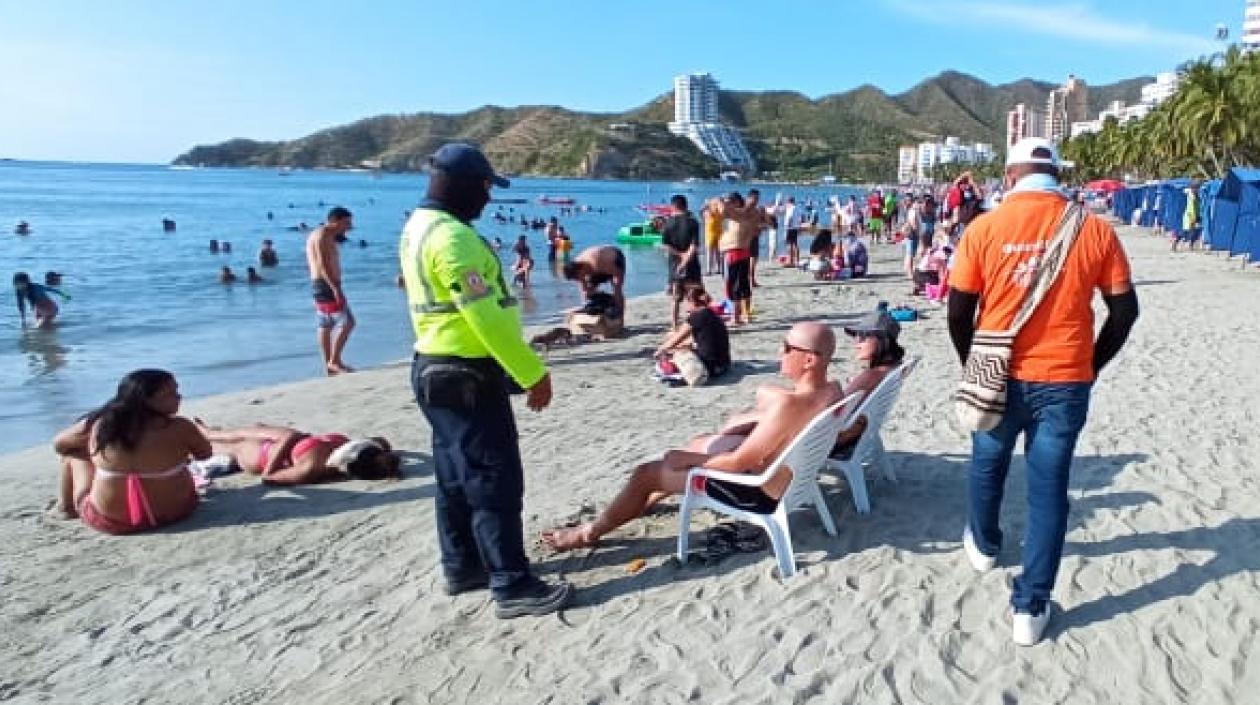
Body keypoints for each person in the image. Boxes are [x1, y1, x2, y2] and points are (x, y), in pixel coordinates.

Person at [947, 138, 1140, 646]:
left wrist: (974, 364)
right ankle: (1030, 610)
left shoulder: (984, 228)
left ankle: (985, 546)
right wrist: (1091, 364)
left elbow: (957, 312)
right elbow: (1125, 312)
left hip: (1000, 375)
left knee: (987, 460)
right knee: (1048, 490)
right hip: (1066, 378)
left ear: (1010, 177)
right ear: (1056, 174)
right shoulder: (1095, 229)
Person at [399, 142, 572, 618]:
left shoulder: (418, 227)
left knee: (454, 475)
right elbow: (486, 318)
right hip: (464, 373)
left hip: (432, 365)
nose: (488, 199)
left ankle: (463, 565)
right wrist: (533, 373)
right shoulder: (453, 238)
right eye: (485, 189)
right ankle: (512, 584)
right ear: (466, 186)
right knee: (493, 479)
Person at [543, 322, 846, 551]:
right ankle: (644, 499)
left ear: (809, 361)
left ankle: (588, 533)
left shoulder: (788, 406)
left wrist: (687, 459)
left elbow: (738, 463)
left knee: (645, 473)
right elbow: (785, 423)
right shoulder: (832, 391)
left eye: (786, 347)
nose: (780, 351)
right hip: (787, 478)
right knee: (703, 441)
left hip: (758, 492)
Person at [51, 369, 210, 534]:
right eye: (170, 394)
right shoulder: (181, 427)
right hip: (177, 512)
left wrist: (100, 453)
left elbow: (59, 444)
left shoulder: (102, 424)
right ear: (147, 400)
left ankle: (65, 507)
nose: (179, 397)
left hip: (115, 522)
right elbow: (205, 454)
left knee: (71, 455)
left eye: (176, 391)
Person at [197, 422, 400, 485]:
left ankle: (205, 436)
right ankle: (209, 433)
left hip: (260, 455)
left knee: (231, 445)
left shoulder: (311, 468)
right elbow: (383, 442)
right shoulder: (354, 450)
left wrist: (289, 439)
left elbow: (268, 478)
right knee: (255, 428)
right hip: (287, 442)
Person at [832, 310, 907, 458]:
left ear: (882, 340)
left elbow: (836, 412)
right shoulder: (893, 370)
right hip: (862, 434)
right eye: (856, 335)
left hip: (835, 442)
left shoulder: (871, 376)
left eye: (864, 336)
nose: (857, 342)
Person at [306, 206, 356, 375]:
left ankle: (329, 364)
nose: (349, 227)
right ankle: (335, 360)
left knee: (325, 324)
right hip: (326, 284)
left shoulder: (318, 234)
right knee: (348, 322)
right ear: (335, 220)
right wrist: (335, 287)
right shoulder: (323, 236)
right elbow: (322, 264)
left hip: (318, 284)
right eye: (347, 222)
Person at [654, 286, 730, 379]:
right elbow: (699, 339)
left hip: (710, 367)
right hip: (724, 364)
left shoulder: (696, 316)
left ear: (691, 301)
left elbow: (675, 340)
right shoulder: (712, 313)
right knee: (681, 347)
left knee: (672, 355)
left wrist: (660, 350)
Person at [711, 192, 760, 325]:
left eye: (730, 201)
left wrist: (719, 200)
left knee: (734, 286)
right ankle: (746, 314)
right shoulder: (747, 214)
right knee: (743, 285)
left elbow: (723, 209)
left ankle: (736, 317)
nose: (727, 204)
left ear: (736, 202)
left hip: (734, 252)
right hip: (742, 251)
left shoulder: (739, 214)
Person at [660, 194, 702, 329]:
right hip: (692, 264)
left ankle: (674, 325)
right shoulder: (693, 222)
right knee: (693, 296)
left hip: (674, 265)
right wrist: (685, 259)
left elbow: (665, 245)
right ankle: (694, 323)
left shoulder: (668, 223)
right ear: (686, 205)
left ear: (673, 206)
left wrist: (679, 255)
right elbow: (694, 245)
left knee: (676, 298)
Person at [562, 246, 626, 319]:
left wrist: (616, 291)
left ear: (580, 270)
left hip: (615, 258)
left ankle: (620, 317)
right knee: (589, 291)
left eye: (577, 277)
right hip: (598, 263)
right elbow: (584, 289)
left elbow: (616, 275)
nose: (578, 279)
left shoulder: (596, 262)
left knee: (617, 288)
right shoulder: (577, 266)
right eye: (575, 279)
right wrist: (587, 305)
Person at [703, 200, 724, 275]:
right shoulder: (710, 212)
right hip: (711, 233)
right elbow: (705, 214)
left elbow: (705, 214)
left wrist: (708, 205)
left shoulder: (716, 212)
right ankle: (712, 269)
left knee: (715, 252)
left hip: (715, 233)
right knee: (712, 252)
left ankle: (715, 269)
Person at [782, 197, 802, 267]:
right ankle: (797, 260)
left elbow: (789, 218)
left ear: (789, 202)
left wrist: (787, 227)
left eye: (787, 202)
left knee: (790, 245)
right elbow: (800, 218)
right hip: (795, 227)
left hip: (790, 228)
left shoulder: (791, 208)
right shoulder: (797, 208)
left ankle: (791, 261)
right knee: (795, 244)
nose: (786, 204)